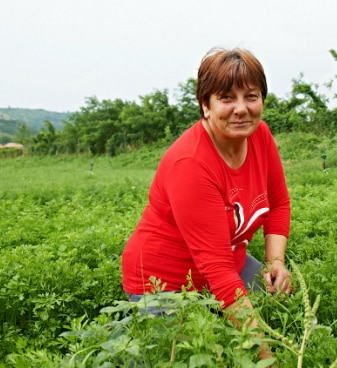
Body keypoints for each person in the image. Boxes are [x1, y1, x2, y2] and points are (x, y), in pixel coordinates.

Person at [121, 47, 292, 361]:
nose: (241, 109)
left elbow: (278, 204)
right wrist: (264, 358)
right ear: (205, 105)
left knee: (278, 305)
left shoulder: (260, 136)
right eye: (226, 98)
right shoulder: (190, 163)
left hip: (228, 261)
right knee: (179, 356)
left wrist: (276, 262)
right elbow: (218, 271)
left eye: (251, 96)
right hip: (166, 280)